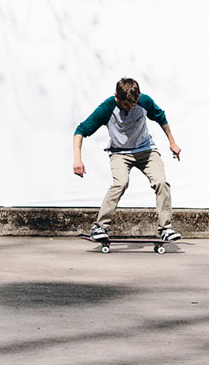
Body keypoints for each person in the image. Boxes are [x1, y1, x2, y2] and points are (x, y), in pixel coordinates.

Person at [72, 77, 181, 242]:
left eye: (133, 104)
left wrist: (172, 142)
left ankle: (166, 228)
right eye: (126, 105)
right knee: (120, 183)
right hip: (120, 153)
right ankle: (99, 227)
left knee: (161, 182)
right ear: (117, 96)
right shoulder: (106, 108)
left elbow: (161, 117)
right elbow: (80, 131)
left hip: (146, 150)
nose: (130, 108)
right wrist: (77, 159)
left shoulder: (144, 101)